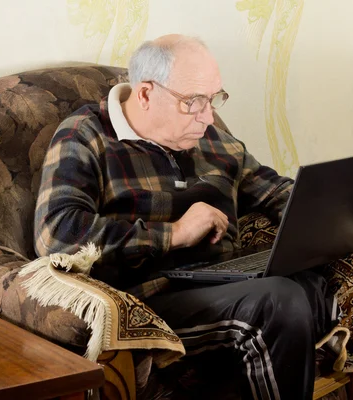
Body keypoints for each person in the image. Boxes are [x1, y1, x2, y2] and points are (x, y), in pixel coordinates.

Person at [34, 34, 336, 400]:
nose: (208, 117)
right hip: (150, 299)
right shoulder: (87, 136)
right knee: (279, 301)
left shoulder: (214, 142)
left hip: (224, 280)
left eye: (213, 99)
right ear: (145, 94)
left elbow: (274, 192)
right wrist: (173, 233)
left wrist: (327, 210)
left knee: (308, 279)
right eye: (193, 101)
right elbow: (56, 234)